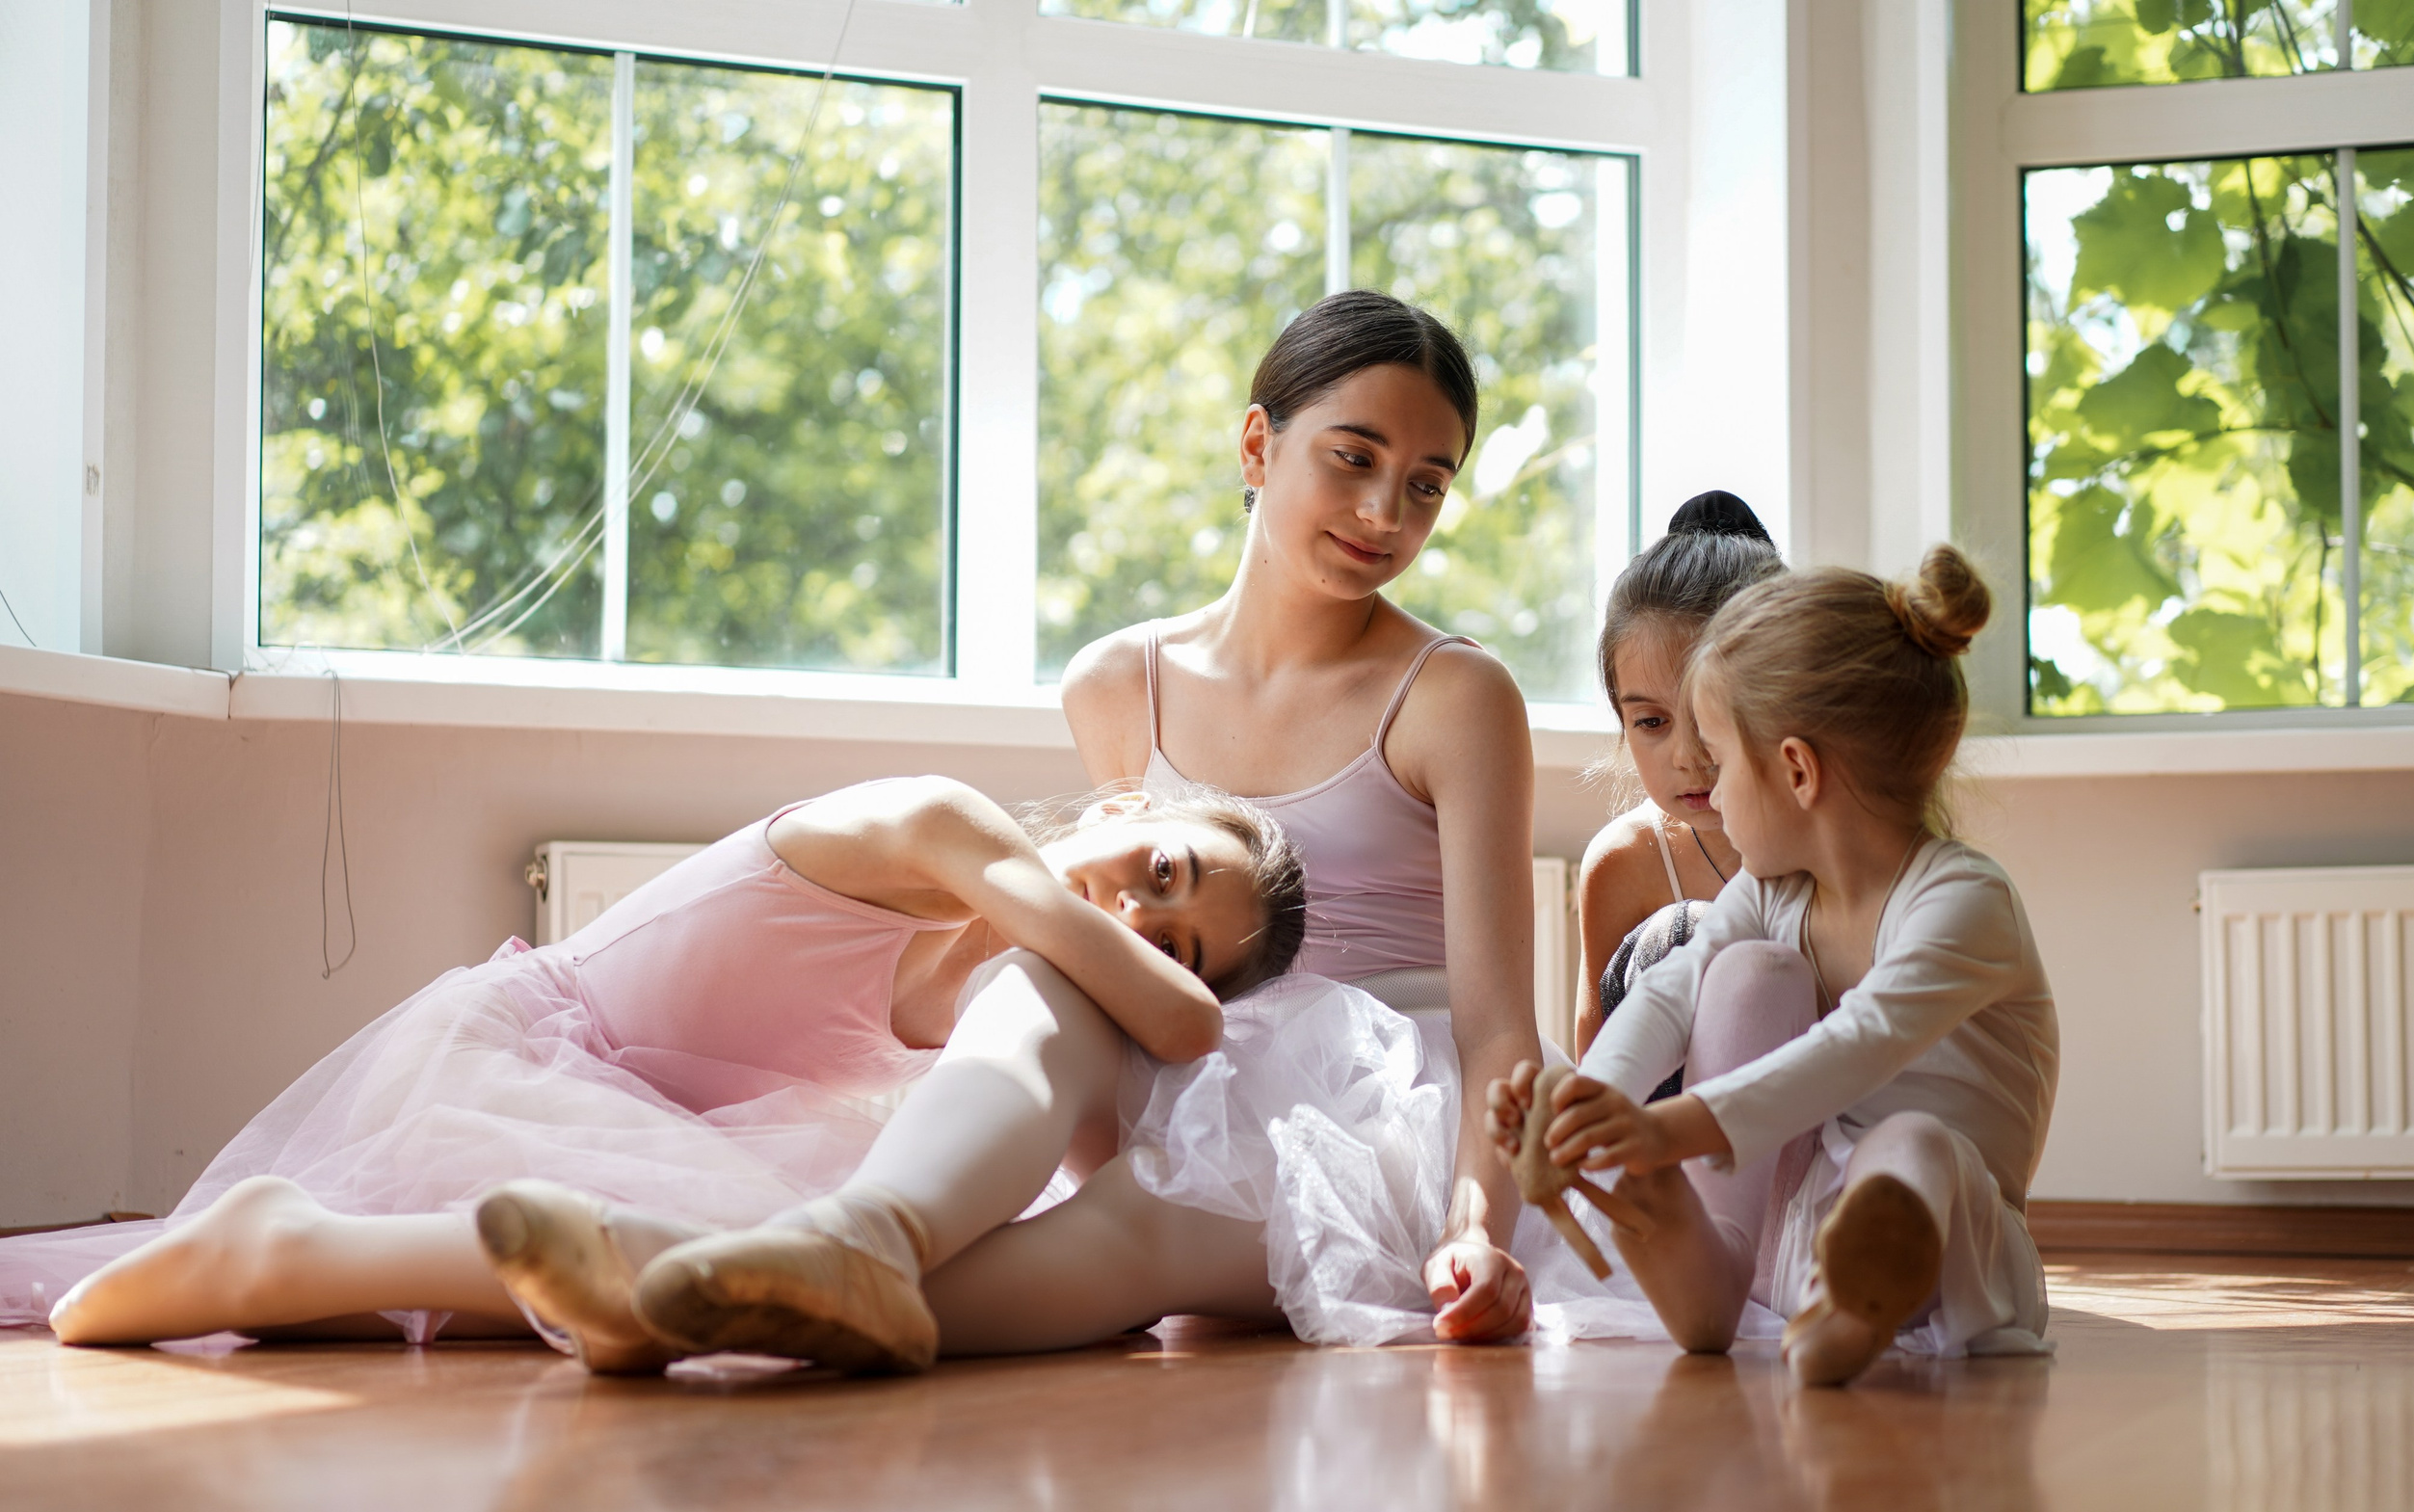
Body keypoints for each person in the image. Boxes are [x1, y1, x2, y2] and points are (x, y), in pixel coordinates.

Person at [571, 289, 1555, 1371]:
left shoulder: (1456, 694)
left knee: (1149, 1210)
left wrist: (1474, 1228)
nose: (1384, 515)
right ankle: (851, 1240)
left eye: (1426, 486)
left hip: (1379, 1114)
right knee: (1034, 982)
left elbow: (1499, 1026)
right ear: (1256, 443)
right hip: (1192, 1055)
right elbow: (1115, 949)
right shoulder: (1116, 682)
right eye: (1352, 459)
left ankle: (695, 1293)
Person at [21, 777, 1307, 1366]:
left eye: (1175, 937)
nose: (1135, 917)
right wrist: (1183, 989)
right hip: (530, 1048)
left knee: (726, 1257)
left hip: (639, 1101)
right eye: (1162, 869)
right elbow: (1185, 1028)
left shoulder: (998, 982)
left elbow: (1099, 1129)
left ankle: (297, 1259)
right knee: (747, 1238)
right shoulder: (953, 822)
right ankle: (291, 1254)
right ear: (1123, 804)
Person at [1490, 545, 2059, 1386]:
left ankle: (1868, 1287)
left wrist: (1662, 1128)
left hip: (1960, 1244)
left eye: (1721, 761)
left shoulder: (1963, 902)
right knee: (1744, 984)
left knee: (1911, 1143)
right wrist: (1591, 1104)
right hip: (1801, 1234)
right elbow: (1668, 997)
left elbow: (1854, 1049)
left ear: (1795, 769)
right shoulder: (1774, 892)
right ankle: (1720, 1271)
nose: (1709, 794)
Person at [1575, 491, 1784, 1063]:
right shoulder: (1624, 863)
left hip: (1820, 1130)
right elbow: (1599, 1069)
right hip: (1661, 1143)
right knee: (1683, 931)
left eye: (1713, 715)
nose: (1688, 756)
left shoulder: (1837, 841)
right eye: (1651, 722)